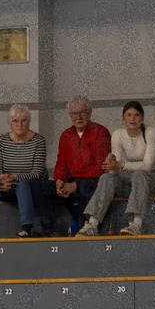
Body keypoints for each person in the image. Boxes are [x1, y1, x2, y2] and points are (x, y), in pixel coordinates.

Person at [77, 101, 155, 237]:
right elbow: (115, 172)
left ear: (142, 117)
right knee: (106, 177)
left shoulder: (151, 132)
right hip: (133, 182)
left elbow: (147, 166)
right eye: (129, 115)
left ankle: (136, 224)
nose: (133, 119)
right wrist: (111, 163)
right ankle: (92, 224)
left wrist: (121, 165)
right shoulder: (118, 134)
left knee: (139, 174)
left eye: (136, 115)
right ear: (123, 118)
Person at [0, 105, 47, 239]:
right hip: (8, 185)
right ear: (9, 123)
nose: (20, 124)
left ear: (29, 122)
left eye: (24, 120)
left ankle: (26, 229)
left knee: (23, 184)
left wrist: (14, 178)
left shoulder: (38, 141)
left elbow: (37, 173)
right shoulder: (2, 140)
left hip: (30, 188)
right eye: (15, 121)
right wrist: (3, 178)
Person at [53, 97, 111, 235]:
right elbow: (61, 164)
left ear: (90, 112)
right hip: (71, 180)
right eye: (74, 113)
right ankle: (47, 231)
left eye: (82, 112)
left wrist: (75, 185)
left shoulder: (100, 132)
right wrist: (59, 181)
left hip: (93, 180)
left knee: (85, 187)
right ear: (70, 115)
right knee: (41, 188)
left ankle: (83, 232)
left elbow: (101, 167)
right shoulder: (66, 135)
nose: (78, 117)